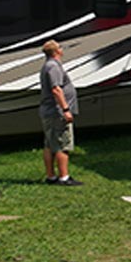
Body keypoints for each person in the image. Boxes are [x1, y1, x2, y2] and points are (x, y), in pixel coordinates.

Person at [39, 39, 82, 186]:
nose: (62, 49)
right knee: (63, 144)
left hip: (49, 111)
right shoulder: (53, 67)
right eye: (60, 47)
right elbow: (56, 89)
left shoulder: (49, 65)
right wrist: (65, 109)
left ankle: (51, 176)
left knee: (50, 144)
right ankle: (64, 177)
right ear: (56, 51)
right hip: (57, 112)